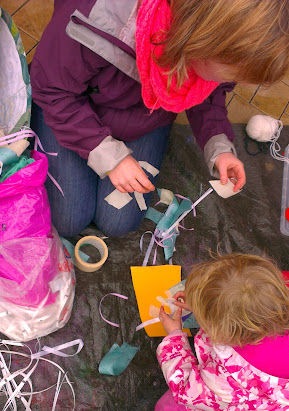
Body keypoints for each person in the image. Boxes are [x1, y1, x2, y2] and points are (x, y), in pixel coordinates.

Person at [30, 0, 289, 237]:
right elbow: (53, 88)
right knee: (69, 220)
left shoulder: (210, 55)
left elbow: (207, 91)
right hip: (72, 107)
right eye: (233, 74)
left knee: (117, 222)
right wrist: (108, 154)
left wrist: (218, 146)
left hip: (146, 116)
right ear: (204, 42)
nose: (238, 83)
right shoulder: (102, 16)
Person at [85, 254, 289, 411]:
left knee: (171, 407)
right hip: (273, 406)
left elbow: (189, 390)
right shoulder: (276, 294)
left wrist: (174, 336)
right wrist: (207, 303)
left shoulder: (237, 372)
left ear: (227, 333)